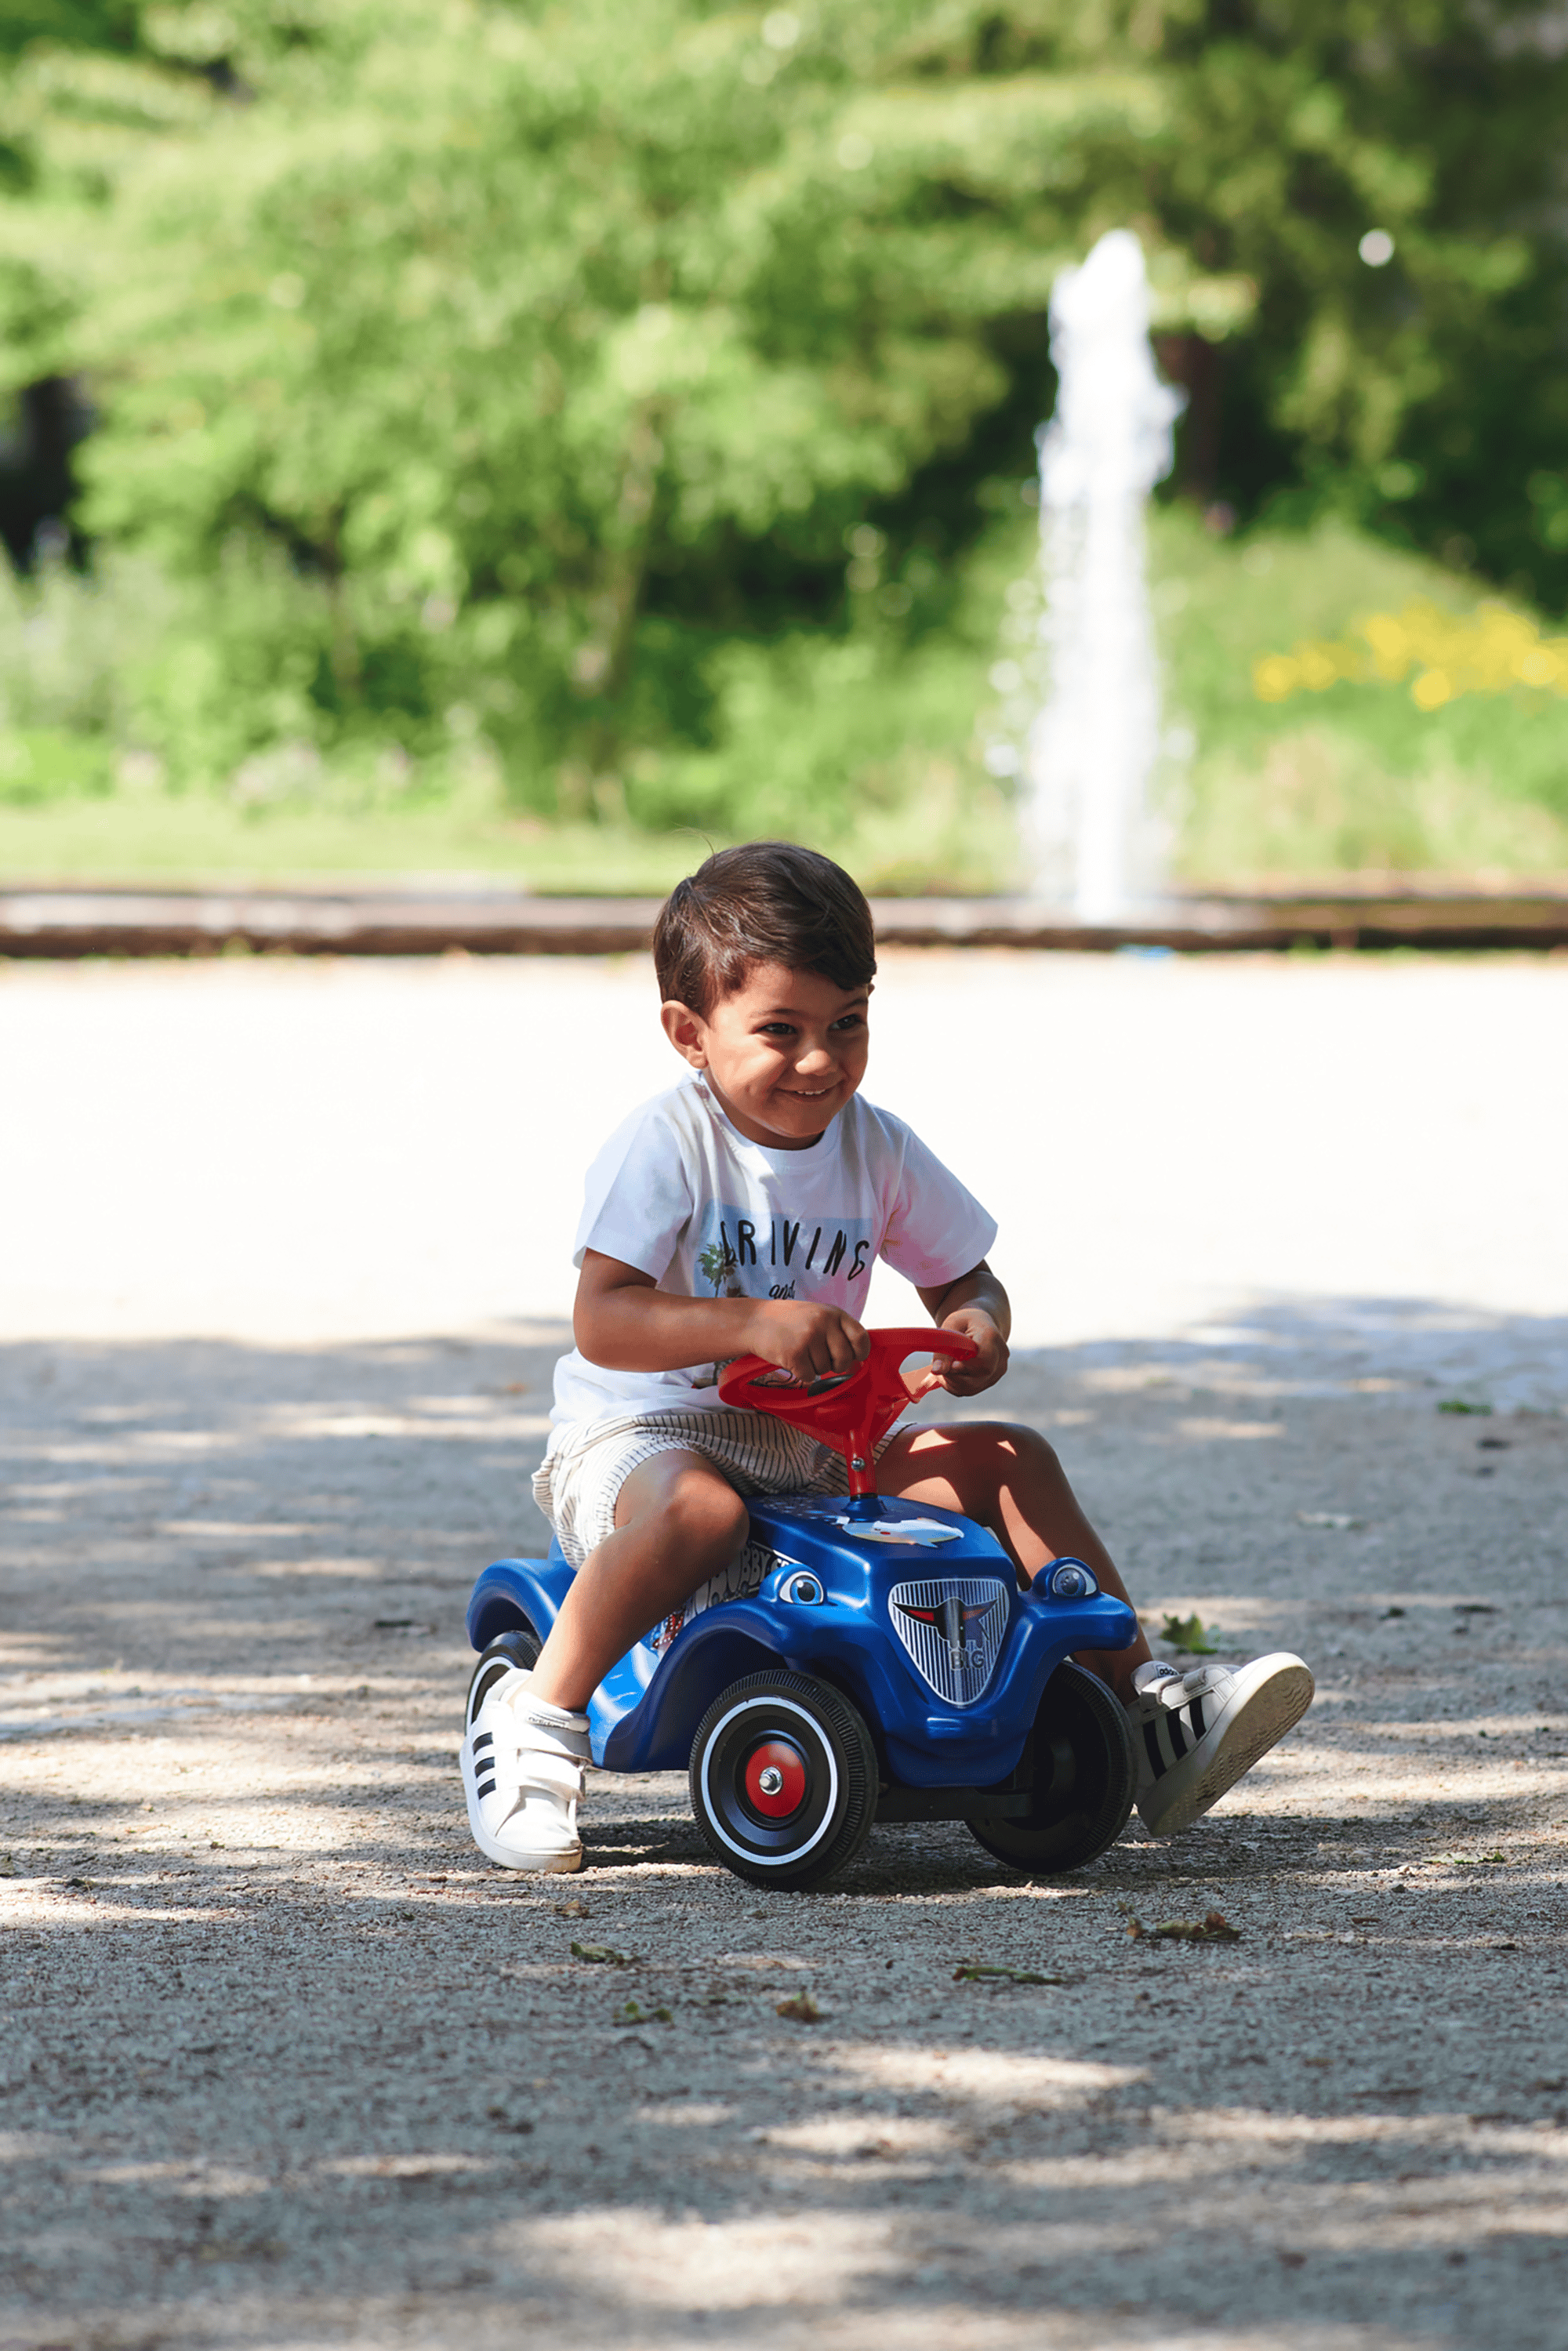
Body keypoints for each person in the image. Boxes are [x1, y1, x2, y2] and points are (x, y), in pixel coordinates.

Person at [461, 842, 1312, 1874]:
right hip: (647, 1434)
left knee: (1007, 1457)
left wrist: (978, 1328)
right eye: (781, 1030)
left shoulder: (879, 1147)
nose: (820, 1059)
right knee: (703, 1511)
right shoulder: (668, 1144)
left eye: (847, 1024)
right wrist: (749, 1322)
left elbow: (967, 1277)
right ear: (691, 1033)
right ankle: (540, 1717)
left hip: (819, 1440)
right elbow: (604, 1319)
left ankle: (1142, 1705)